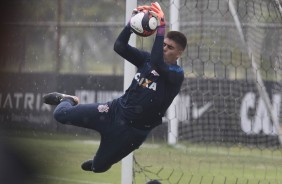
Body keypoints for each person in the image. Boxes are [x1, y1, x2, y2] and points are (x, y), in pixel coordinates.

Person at [43, 2, 187, 173]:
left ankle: (99, 162)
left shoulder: (176, 73)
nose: (164, 49)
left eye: (170, 47)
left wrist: (161, 27)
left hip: (132, 133)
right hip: (113, 111)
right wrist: (131, 24)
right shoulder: (146, 60)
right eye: (163, 44)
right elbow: (119, 46)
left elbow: (157, 63)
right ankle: (68, 100)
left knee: (99, 168)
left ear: (179, 53)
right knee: (60, 114)